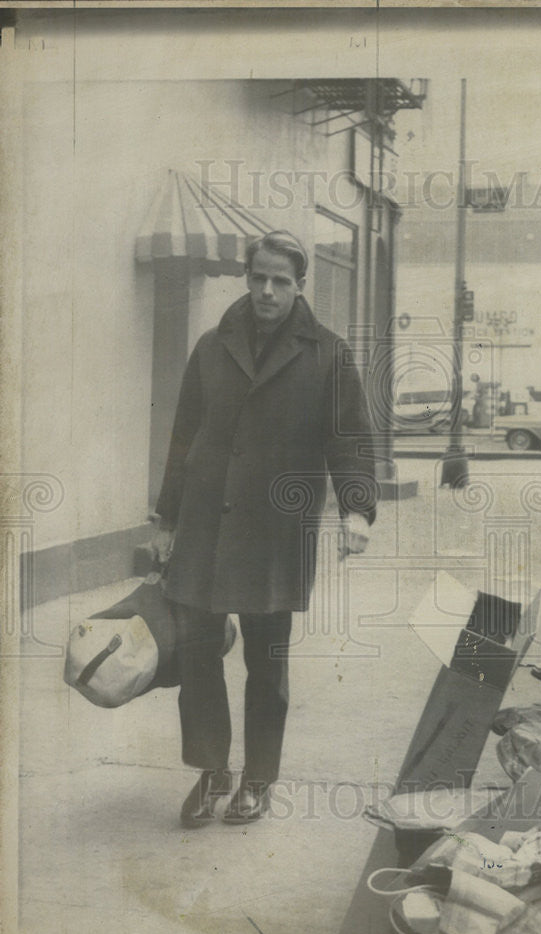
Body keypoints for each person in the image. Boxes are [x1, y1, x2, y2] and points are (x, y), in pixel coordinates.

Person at [151, 230, 377, 827]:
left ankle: (258, 779)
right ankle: (211, 772)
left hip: (275, 530)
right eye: (258, 278)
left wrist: (357, 509)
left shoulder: (328, 353)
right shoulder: (211, 346)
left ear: (300, 285)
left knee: (265, 662)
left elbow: (349, 437)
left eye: (281, 281)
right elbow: (183, 439)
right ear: (246, 278)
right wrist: (166, 518)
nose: (267, 291)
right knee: (198, 657)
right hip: (205, 525)